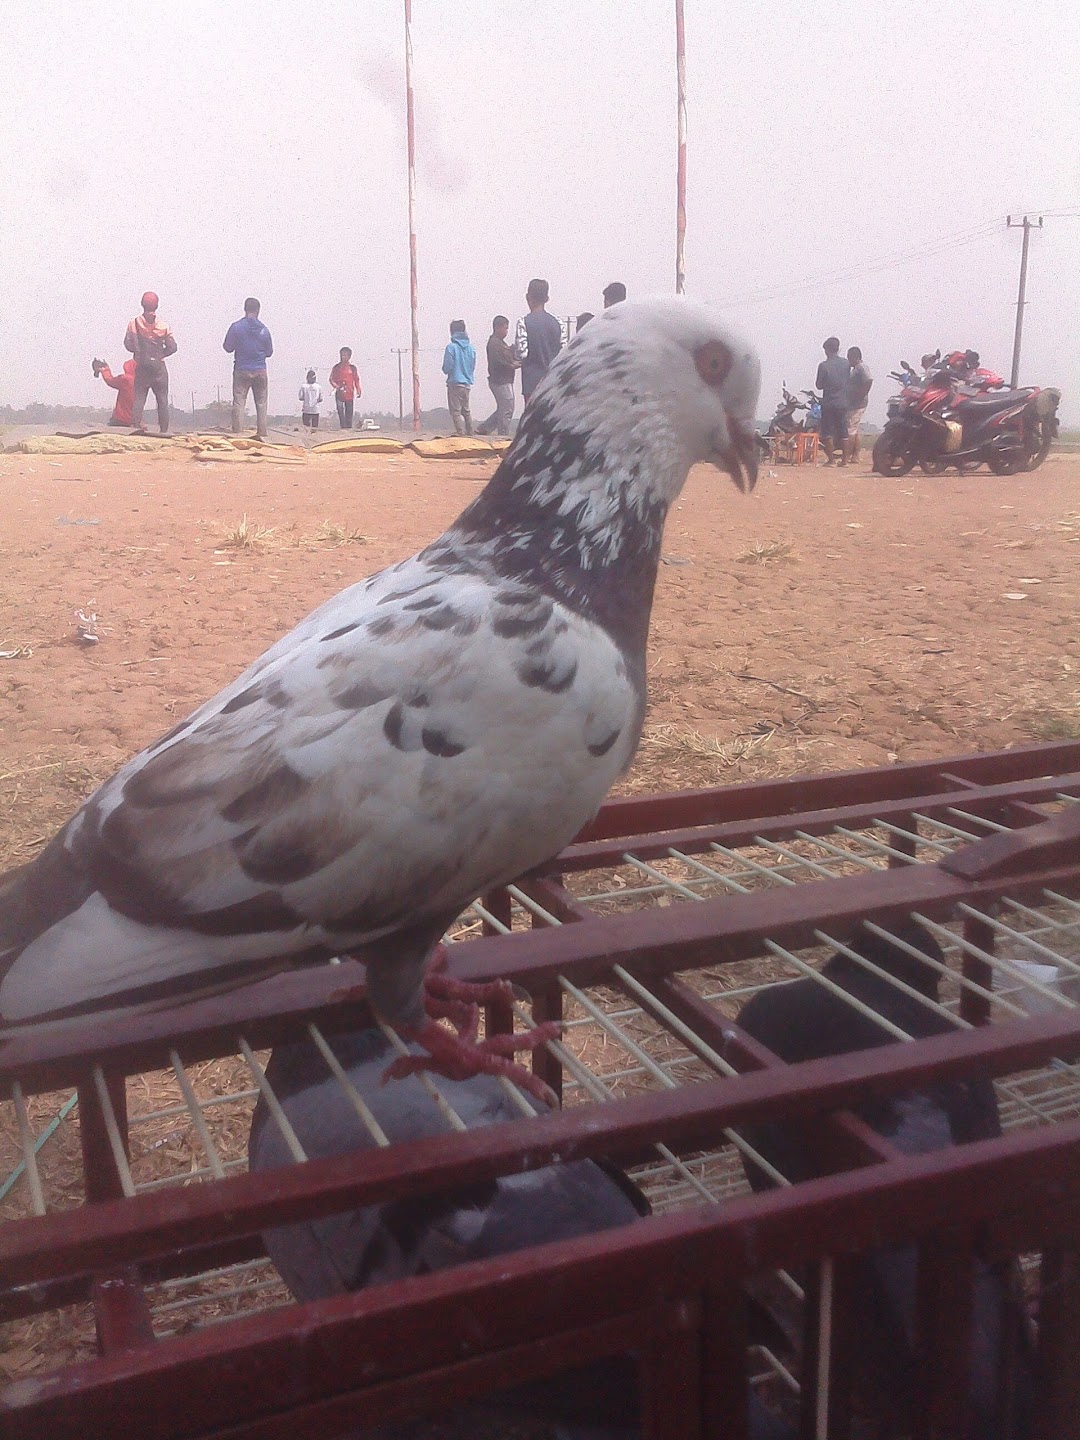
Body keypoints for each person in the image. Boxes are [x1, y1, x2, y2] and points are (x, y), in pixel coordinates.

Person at [124, 291, 176, 435]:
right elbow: (173, 347)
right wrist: (159, 355)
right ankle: (164, 431)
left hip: (142, 366)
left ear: (142, 304)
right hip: (159, 368)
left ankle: (135, 428)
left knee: (139, 399)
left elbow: (128, 344)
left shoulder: (134, 323)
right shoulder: (164, 326)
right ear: (157, 305)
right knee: (162, 400)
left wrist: (140, 353)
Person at [223, 298, 274, 441]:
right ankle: (262, 434)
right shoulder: (264, 329)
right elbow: (269, 352)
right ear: (258, 310)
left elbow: (227, 347)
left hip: (241, 369)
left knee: (239, 402)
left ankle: (238, 434)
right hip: (260, 370)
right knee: (261, 403)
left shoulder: (236, 327)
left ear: (245, 309)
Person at [515, 278, 562, 406]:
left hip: (531, 383)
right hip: (553, 382)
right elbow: (563, 353)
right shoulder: (558, 323)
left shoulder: (523, 323)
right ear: (547, 298)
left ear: (528, 297)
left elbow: (521, 354)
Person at [476, 315, 519, 436]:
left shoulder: (501, 343)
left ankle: (485, 428)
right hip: (500, 381)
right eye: (505, 328)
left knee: (503, 408)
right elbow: (498, 362)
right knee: (507, 408)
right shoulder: (494, 343)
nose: (506, 331)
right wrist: (512, 365)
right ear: (497, 327)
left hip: (504, 380)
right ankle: (503, 434)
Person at [815, 336, 850, 466]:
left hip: (829, 402)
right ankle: (845, 460)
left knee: (827, 432)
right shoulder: (846, 364)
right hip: (843, 401)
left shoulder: (824, 366)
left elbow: (819, 385)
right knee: (843, 431)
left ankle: (831, 460)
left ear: (827, 350)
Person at [441, 320, 476, 436]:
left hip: (454, 382)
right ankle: (470, 431)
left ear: (451, 332)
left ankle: (460, 432)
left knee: (455, 411)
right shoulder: (471, 348)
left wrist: (446, 370)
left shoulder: (451, 347)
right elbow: (472, 365)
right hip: (466, 383)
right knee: (466, 410)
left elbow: (447, 367)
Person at [842, 346, 873, 464]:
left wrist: (862, 394)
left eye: (849, 358)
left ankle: (847, 456)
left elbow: (869, 380)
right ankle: (855, 456)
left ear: (855, 357)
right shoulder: (855, 368)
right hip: (852, 403)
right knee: (855, 430)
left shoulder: (861, 367)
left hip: (858, 403)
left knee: (850, 430)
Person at [92, 358, 136, 427]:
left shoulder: (126, 379)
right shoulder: (142, 382)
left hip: (121, 418)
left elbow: (110, 380)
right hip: (135, 420)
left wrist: (105, 369)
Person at [329, 347, 362, 429]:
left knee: (349, 411)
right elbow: (331, 379)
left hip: (349, 393)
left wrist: (358, 389)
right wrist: (336, 386)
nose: (342, 357)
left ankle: (348, 427)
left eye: (344, 355)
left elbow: (356, 379)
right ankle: (343, 427)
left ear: (349, 356)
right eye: (341, 355)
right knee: (340, 409)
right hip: (339, 392)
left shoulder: (352, 368)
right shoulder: (336, 367)